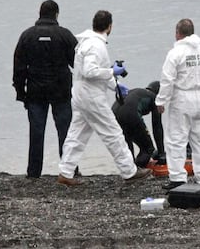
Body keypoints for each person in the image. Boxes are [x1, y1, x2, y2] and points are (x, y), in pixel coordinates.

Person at [57, 10, 152, 186]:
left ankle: (65, 171)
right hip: (91, 97)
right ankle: (129, 171)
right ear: (109, 26)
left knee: (77, 134)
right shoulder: (96, 46)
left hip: (79, 94)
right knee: (113, 132)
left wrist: (115, 85)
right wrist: (111, 71)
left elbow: (91, 71)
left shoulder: (86, 42)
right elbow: (90, 71)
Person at [13, 0, 78, 178]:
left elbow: (19, 67)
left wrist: (21, 93)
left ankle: (34, 172)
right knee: (66, 132)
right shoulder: (64, 35)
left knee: (36, 132)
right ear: (56, 14)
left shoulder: (27, 36)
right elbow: (77, 64)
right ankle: (69, 170)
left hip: (35, 92)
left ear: (40, 13)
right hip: (61, 91)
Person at [156, 18, 200, 190]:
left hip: (182, 99)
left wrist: (161, 100)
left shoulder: (175, 53)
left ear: (178, 33)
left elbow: (167, 79)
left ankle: (178, 178)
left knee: (177, 139)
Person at [112, 81, 166, 168]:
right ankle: (138, 169)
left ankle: (129, 171)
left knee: (128, 147)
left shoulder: (139, 92)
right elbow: (157, 127)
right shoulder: (156, 98)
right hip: (130, 114)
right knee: (148, 149)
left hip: (114, 114)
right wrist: (161, 153)